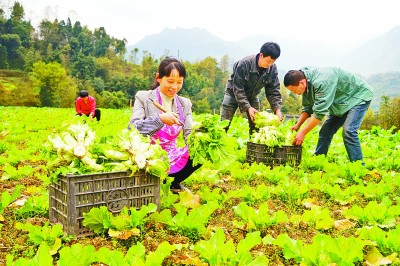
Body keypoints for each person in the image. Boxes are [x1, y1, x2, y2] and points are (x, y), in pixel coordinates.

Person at [127, 57, 200, 193]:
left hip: (171, 154)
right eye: (170, 81)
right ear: (158, 78)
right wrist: (160, 119)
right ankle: (152, 182)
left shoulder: (185, 104)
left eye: (179, 82)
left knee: (199, 152)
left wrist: (199, 138)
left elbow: (188, 132)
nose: (175, 87)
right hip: (147, 153)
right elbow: (133, 128)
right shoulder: (143, 98)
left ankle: (173, 182)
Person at [283, 67, 374, 164]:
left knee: (349, 130)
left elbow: (319, 114)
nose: (294, 93)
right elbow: (307, 108)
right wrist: (298, 125)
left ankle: (359, 166)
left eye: (293, 90)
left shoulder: (322, 82)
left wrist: (303, 133)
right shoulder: (305, 81)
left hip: (358, 97)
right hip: (341, 103)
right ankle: (318, 159)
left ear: (302, 82)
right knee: (326, 131)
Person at [220, 42, 283, 135]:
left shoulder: (272, 69)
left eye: (273, 62)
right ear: (261, 55)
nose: (270, 64)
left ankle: (253, 148)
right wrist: (248, 108)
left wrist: (277, 109)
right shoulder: (244, 64)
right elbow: (238, 88)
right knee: (223, 125)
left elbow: (273, 91)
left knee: (256, 126)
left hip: (252, 95)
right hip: (233, 93)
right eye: (268, 61)